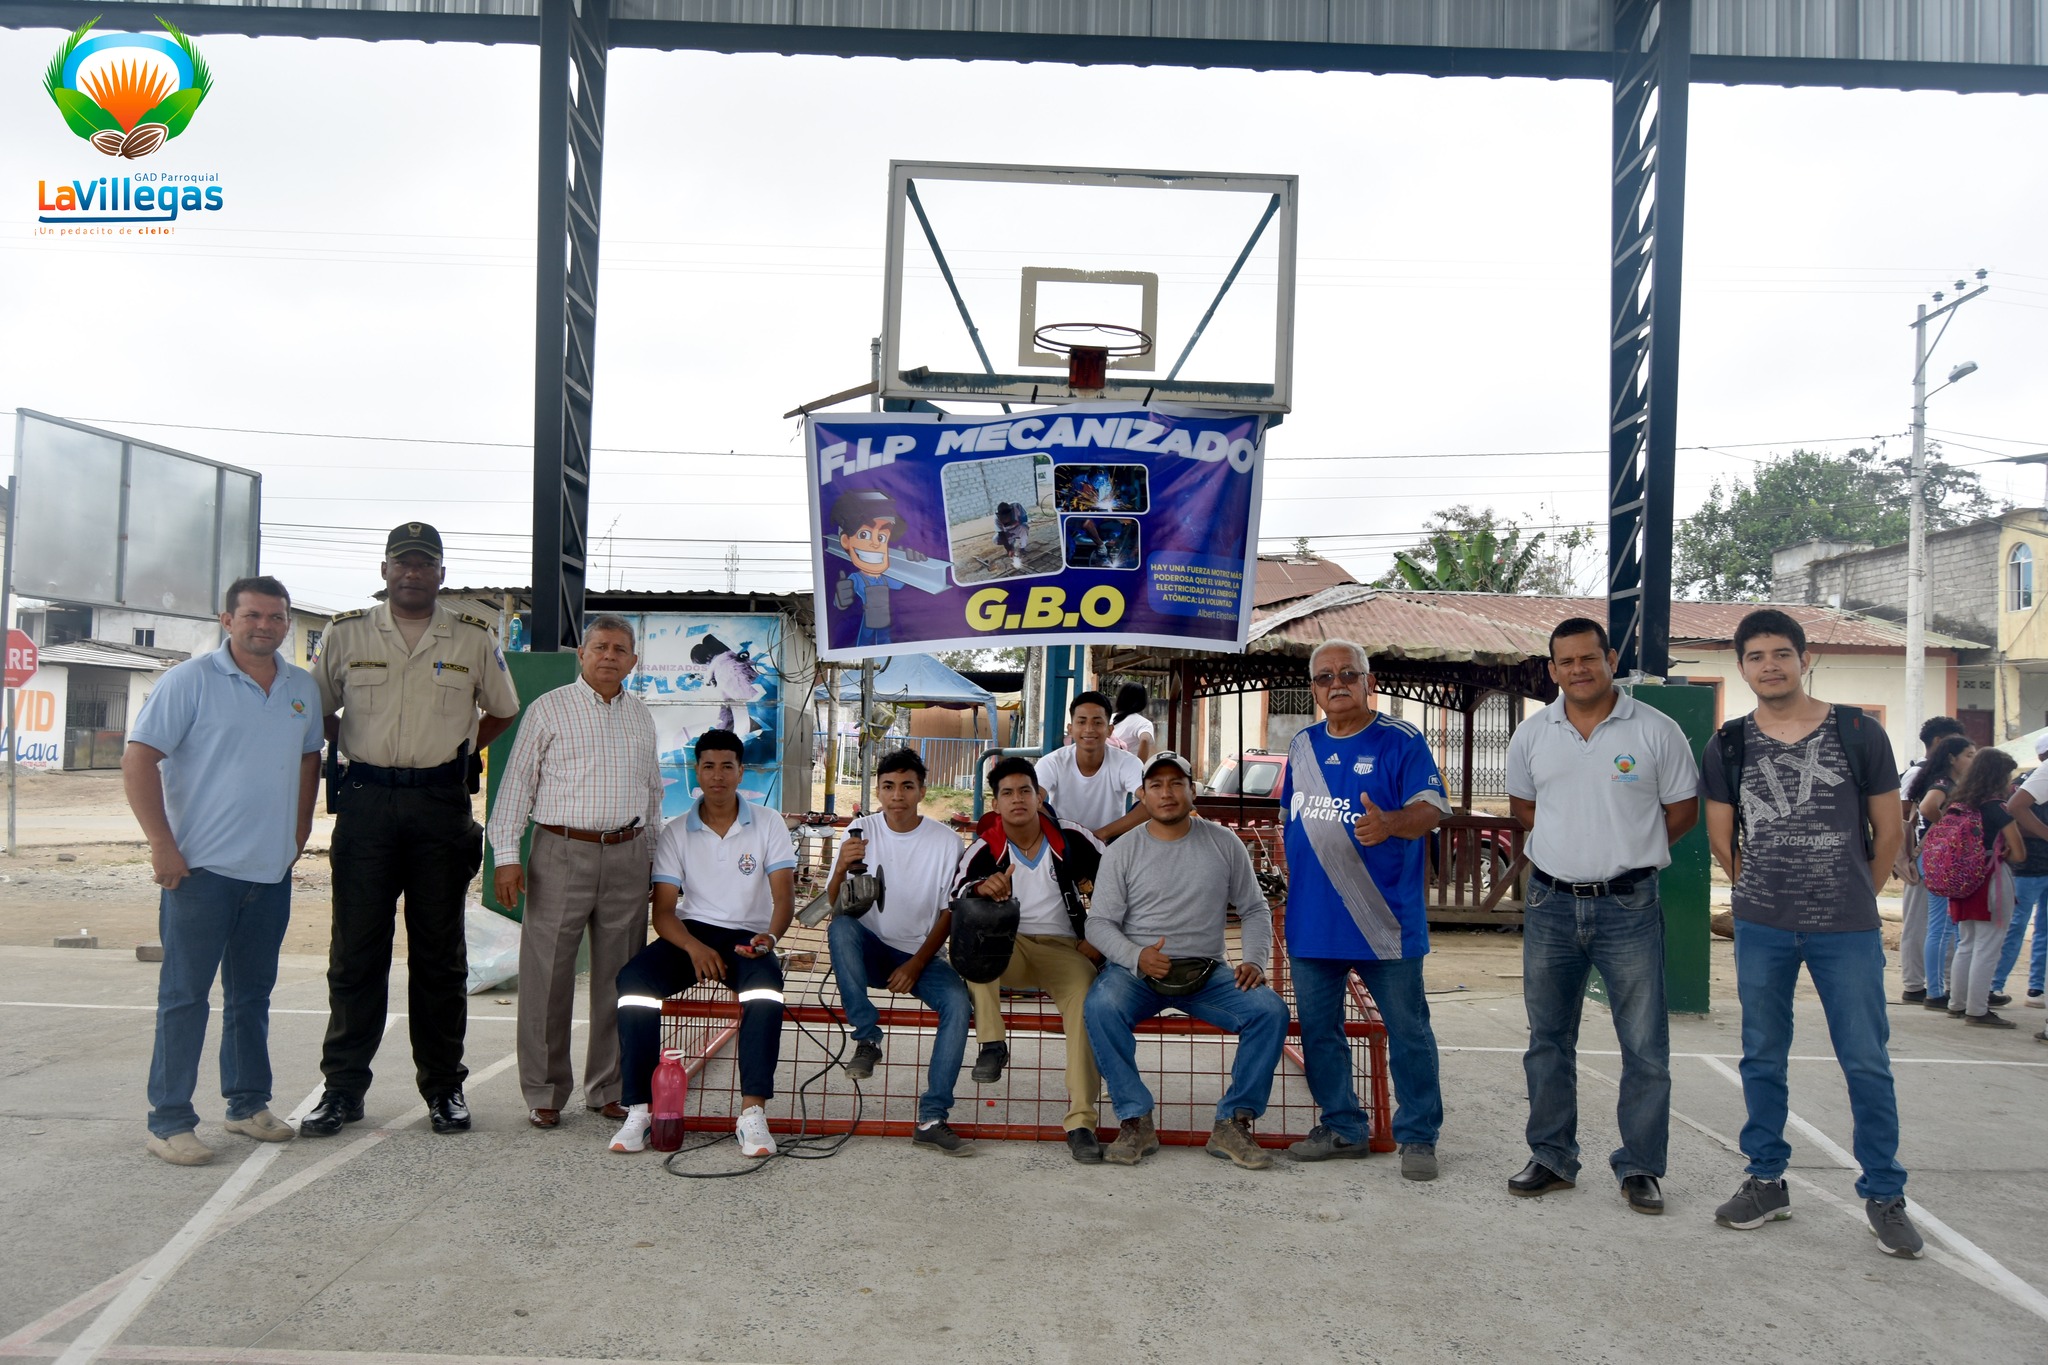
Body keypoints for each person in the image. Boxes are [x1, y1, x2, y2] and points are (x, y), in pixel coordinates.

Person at [1701, 609, 1922, 1259]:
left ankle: (1884, 1193)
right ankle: (1766, 1180)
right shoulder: (1729, 744)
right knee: (1762, 1056)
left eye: (1781, 653)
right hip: (1763, 927)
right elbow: (1721, 835)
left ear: (1804, 659)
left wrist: (1853, 893)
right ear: (1742, 667)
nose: (1769, 665)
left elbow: (1889, 830)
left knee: (1865, 1060)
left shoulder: (1858, 731)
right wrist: (1757, 892)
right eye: (1756, 656)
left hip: (1846, 929)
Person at [304, 524, 521, 1138]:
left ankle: (444, 1087)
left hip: (438, 807)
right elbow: (317, 707)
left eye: (424, 564)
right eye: (402, 563)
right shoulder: (345, 633)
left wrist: (458, 752)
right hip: (366, 804)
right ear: (384, 571)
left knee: (440, 958)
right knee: (355, 956)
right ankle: (342, 1089)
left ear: (440, 575)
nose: (412, 573)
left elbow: (503, 708)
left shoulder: (473, 636)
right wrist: (353, 745)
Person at [123, 577, 324, 1165]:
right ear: (227, 620)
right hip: (200, 872)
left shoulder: (300, 688)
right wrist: (162, 845)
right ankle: (169, 1121)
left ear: (287, 624)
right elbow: (138, 760)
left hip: (269, 872)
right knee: (185, 997)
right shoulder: (188, 682)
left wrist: (299, 831)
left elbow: (309, 756)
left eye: (276, 617)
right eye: (253, 615)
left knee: (251, 996)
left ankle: (246, 1105)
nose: (265, 626)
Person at [1503, 618, 1699, 1214]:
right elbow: (1524, 809)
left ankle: (1640, 1166)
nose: (1578, 669)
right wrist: (1572, 850)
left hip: (1629, 906)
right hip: (1550, 904)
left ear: (1610, 659)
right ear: (1552, 670)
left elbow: (1683, 811)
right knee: (1547, 1040)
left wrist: (1626, 853)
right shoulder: (1532, 734)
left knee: (1644, 1046)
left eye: (1589, 658)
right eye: (1566, 661)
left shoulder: (1657, 730)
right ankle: (1552, 1156)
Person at [1280, 640, 1449, 1182]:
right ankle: (1343, 1128)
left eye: (1348, 674)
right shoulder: (1302, 745)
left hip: (1384, 923)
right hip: (1313, 922)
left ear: (1369, 682)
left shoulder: (1402, 739)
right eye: (1325, 676)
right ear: (1313, 688)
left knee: (1408, 1031)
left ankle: (1418, 1137)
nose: (1337, 683)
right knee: (1319, 1033)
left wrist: (1390, 824)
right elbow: (1291, 819)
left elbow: (1432, 810)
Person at [487, 614, 664, 1130]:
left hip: (628, 854)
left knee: (619, 978)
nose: (609, 656)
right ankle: (545, 1091)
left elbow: (653, 794)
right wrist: (506, 857)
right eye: (600, 647)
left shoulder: (642, 716)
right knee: (547, 976)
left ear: (633, 661)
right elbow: (516, 784)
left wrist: (654, 861)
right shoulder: (549, 708)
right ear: (582, 654)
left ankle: (608, 1088)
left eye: (620, 649)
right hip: (560, 852)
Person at [1082, 752, 1291, 1169]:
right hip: (1136, 974)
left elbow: (1254, 908)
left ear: (1192, 791)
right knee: (1100, 1006)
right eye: (1156, 785)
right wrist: (1136, 955)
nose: (1167, 793)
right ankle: (1135, 1118)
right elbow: (1099, 924)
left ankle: (1234, 1121)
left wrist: (1254, 960)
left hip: (1207, 972)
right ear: (1142, 795)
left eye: (1176, 783)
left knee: (1269, 1011)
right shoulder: (1122, 851)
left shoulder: (1224, 843)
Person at [608, 730, 796, 1156]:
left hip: (748, 936)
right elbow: (664, 913)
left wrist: (770, 937)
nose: (718, 776)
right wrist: (694, 948)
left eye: (727, 766)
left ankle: (752, 1115)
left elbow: (784, 898)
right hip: (691, 933)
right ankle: (640, 1109)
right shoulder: (676, 831)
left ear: (741, 772)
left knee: (766, 991)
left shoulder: (768, 823)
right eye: (709, 766)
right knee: (634, 983)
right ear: (697, 771)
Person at [952, 756, 1108, 1163]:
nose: (1017, 799)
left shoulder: (1072, 837)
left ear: (1040, 797)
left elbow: (1120, 883)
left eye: (1025, 790)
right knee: (978, 950)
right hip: (1011, 946)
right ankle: (992, 1044)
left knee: (1085, 1002)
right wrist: (981, 888)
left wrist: (1099, 939)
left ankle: (1081, 1123)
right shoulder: (986, 847)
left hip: (1064, 949)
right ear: (996, 804)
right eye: (1007, 793)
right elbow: (955, 894)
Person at [825, 748, 976, 1155]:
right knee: (842, 927)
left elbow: (949, 912)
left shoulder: (947, 842)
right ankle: (867, 1038)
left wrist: (917, 963)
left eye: (907, 786)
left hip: (920, 955)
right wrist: (840, 868)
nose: (897, 796)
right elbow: (833, 903)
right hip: (869, 950)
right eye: (888, 786)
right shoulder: (859, 831)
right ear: (877, 790)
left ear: (922, 791)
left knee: (958, 1005)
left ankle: (933, 1117)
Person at [1930, 748, 2024, 1027]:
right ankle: (1977, 1009)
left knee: (1967, 943)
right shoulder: (1997, 807)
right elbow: (2019, 853)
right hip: (1991, 879)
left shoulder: (1959, 803)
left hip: (1962, 881)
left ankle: (1957, 1003)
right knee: (1988, 946)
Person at [1897, 716, 1967, 1003]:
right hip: (1922, 854)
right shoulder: (1920, 773)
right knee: (1918, 922)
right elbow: (1903, 815)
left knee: (1941, 924)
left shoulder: (1947, 777)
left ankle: (1945, 983)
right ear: (1939, 743)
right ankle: (1914, 984)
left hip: (1940, 855)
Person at [1909, 735, 1976, 1012]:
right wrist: (1951, 829)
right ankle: (1935, 991)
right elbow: (1927, 807)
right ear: (1952, 758)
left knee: (1947, 925)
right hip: (1938, 859)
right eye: (1969, 755)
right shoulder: (1943, 783)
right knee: (1941, 926)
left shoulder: (1947, 782)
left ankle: (1946, 989)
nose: (1972, 760)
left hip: (1938, 858)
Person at [1035, 691, 1146, 842]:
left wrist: (1100, 835)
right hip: (1064, 844)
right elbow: (1032, 800)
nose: (1089, 729)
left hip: (1110, 843)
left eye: (1097, 722)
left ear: (1110, 730)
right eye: (1081, 722)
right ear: (1070, 729)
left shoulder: (1128, 762)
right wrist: (1060, 833)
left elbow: (1152, 801)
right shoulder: (1052, 762)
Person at [1995, 735, 2048, 1013]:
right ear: (2041, 757)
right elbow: (2011, 818)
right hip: (2027, 867)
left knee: (2043, 930)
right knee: (2015, 927)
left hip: (2036, 866)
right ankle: (1995, 984)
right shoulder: (2024, 784)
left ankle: (2036, 988)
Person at [1109, 683, 1156, 762]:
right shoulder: (1144, 723)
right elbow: (1145, 740)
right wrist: (1140, 765)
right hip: (1126, 766)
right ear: (1142, 701)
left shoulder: (1108, 718)